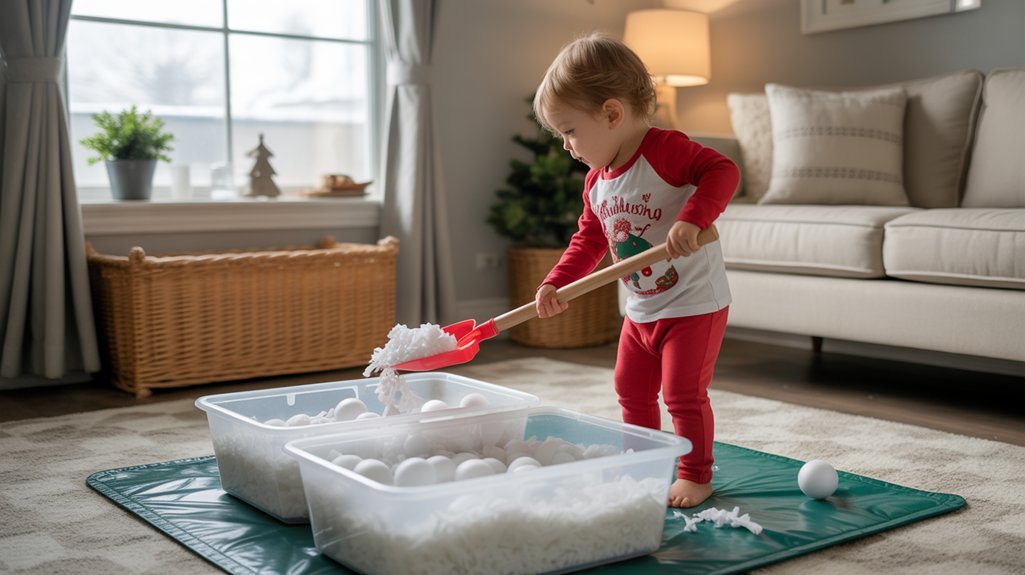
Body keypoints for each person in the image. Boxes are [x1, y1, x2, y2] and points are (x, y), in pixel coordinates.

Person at [532, 33, 739, 508]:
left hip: (693, 303)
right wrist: (556, 282)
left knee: (683, 393)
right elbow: (589, 239)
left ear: (611, 114)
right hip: (641, 308)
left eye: (569, 130)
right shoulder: (596, 181)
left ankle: (695, 473)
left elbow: (722, 170)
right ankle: (642, 465)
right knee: (631, 389)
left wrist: (693, 218)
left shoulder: (664, 151)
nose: (566, 146)